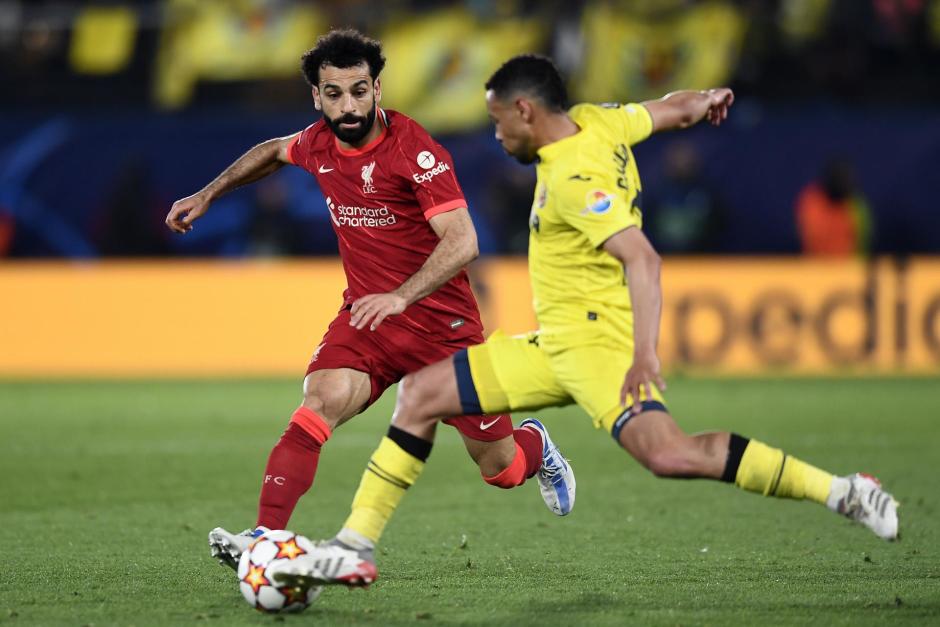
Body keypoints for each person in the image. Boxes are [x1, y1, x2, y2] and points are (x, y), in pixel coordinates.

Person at [274, 54, 899, 591]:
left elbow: (643, 260)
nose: (495, 138)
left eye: (497, 124)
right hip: (554, 343)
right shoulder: (600, 122)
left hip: (600, 348)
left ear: (524, 112)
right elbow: (667, 109)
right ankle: (355, 547)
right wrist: (703, 100)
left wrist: (645, 357)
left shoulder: (575, 178)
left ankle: (845, 490)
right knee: (422, 393)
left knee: (672, 456)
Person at [164, 33, 574, 586]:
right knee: (318, 402)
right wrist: (209, 192)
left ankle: (536, 443)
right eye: (334, 94)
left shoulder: (415, 151)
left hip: (440, 329)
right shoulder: (319, 144)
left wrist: (402, 295)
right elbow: (273, 151)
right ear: (317, 97)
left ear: (377, 87)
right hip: (368, 322)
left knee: (500, 470)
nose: (349, 107)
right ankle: (265, 540)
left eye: (360, 91)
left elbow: (464, 241)